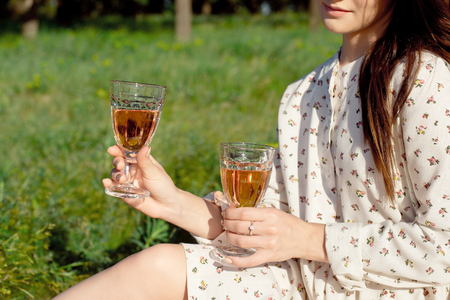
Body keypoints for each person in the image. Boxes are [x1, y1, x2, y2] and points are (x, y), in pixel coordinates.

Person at [54, 0, 450, 299]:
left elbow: (443, 245)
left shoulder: (423, 79)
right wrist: (172, 203)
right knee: (156, 263)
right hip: (297, 284)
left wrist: (309, 239)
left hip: (390, 291)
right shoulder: (303, 93)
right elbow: (268, 225)